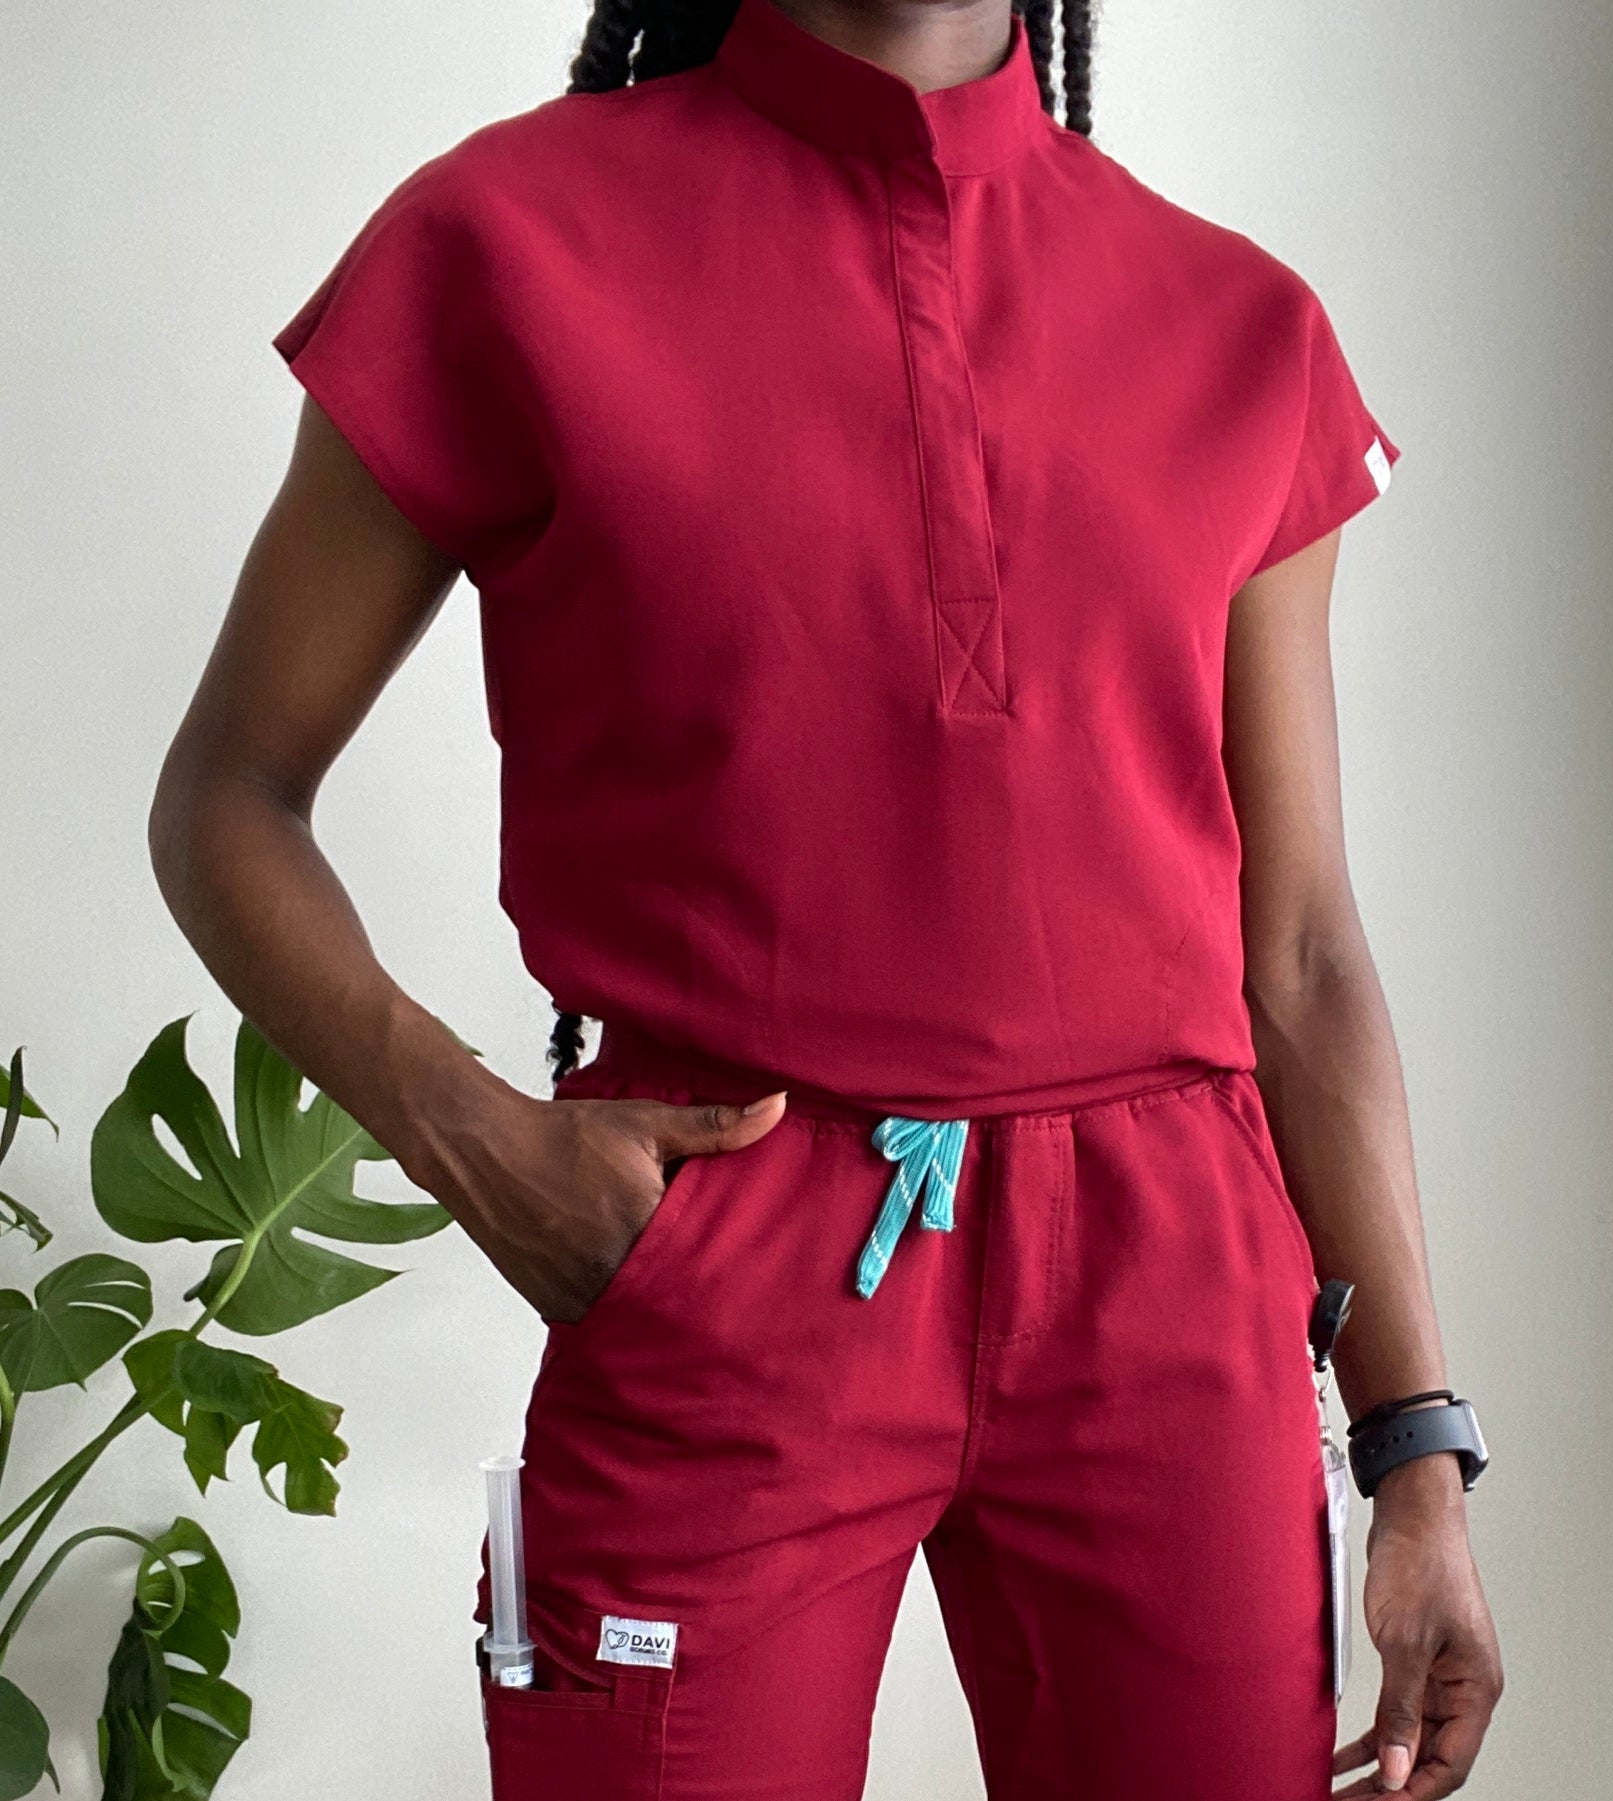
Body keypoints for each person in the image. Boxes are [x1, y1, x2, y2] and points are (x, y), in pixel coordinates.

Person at [148, 1, 1503, 1796]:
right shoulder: (504, 245)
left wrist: (1414, 1450)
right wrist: (475, 1141)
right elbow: (227, 796)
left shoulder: (1242, 330)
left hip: (1171, 1286)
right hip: (730, 1248)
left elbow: (1306, 950)